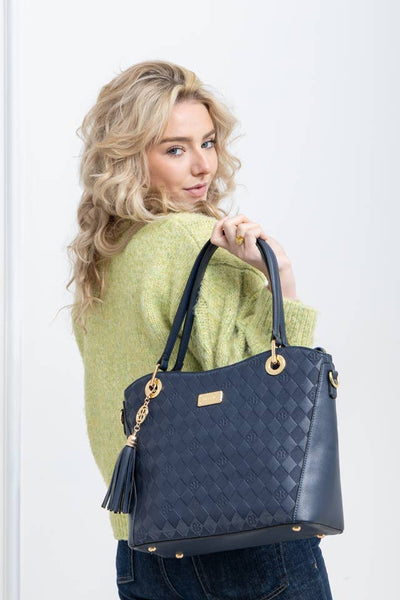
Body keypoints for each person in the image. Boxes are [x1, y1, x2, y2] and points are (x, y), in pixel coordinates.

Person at [67, 60, 333, 600]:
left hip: (142, 550)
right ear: (129, 158)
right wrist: (280, 278)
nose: (202, 165)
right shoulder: (193, 241)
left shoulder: (104, 257)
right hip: (242, 541)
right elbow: (264, 386)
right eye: (175, 149)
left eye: (208, 142)